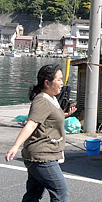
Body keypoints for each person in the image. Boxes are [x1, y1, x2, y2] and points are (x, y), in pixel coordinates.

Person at [5, 64, 77, 202]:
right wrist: (15, 146)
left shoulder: (52, 98)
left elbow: (48, 118)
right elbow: (31, 124)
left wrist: (65, 114)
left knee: (33, 194)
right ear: (47, 82)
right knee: (61, 193)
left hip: (42, 154)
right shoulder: (42, 100)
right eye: (59, 80)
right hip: (42, 156)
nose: (62, 83)